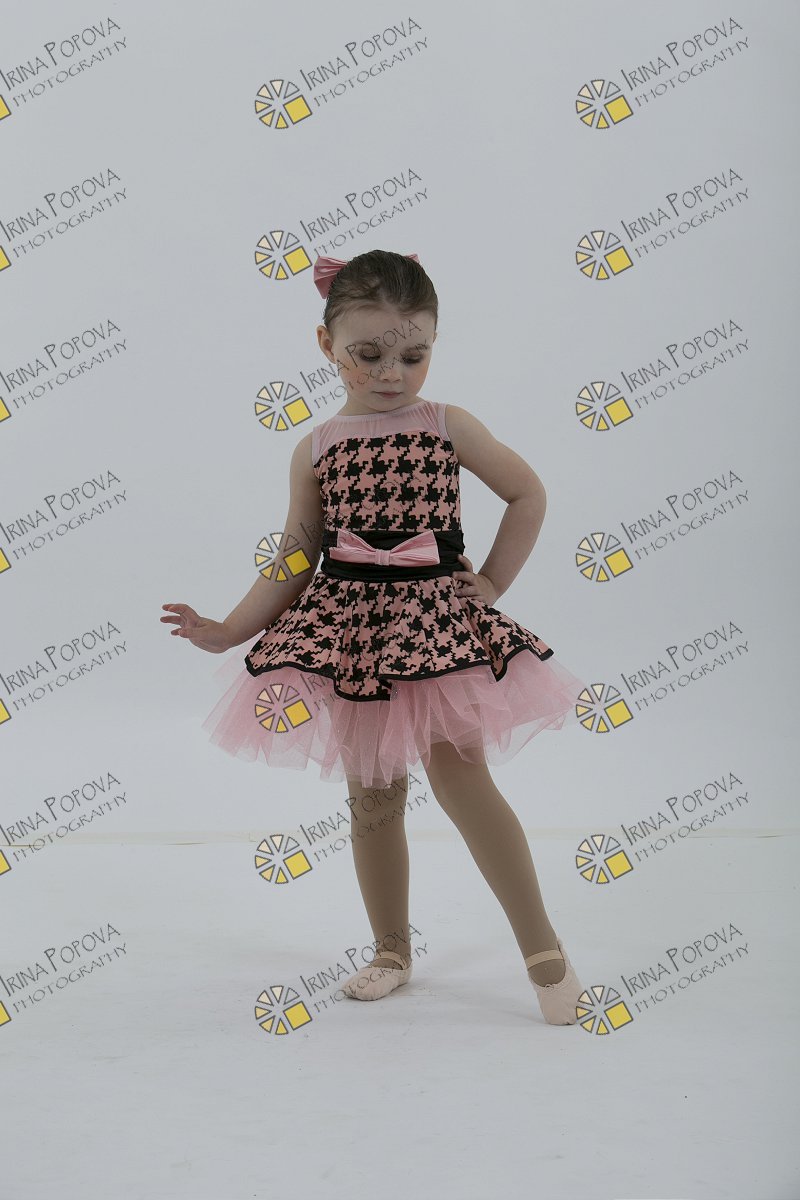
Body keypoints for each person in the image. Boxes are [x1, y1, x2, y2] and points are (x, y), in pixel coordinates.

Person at [161, 249, 592, 1024]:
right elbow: (297, 554)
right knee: (372, 794)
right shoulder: (318, 446)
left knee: (463, 781)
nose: (392, 372)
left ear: (433, 344)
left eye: (413, 355)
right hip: (354, 634)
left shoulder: (446, 424)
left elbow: (526, 492)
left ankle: (541, 947)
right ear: (326, 344)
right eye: (369, 354)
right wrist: (228, 628)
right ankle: (391, 950)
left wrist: (492, 583)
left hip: (435, 626)